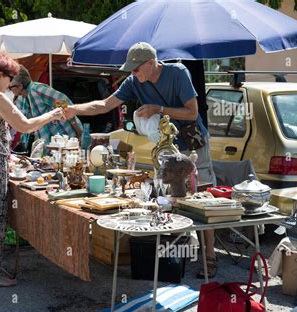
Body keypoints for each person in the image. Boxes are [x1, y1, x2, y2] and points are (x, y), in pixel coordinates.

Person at [65, 42, 218, 278]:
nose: (133, 74)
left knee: (202, 196)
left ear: (151, 63)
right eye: (131, 70)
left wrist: (159, 109)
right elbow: (105, 105)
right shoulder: (134, 81)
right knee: (171, 197)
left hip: (192, 142)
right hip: (167, 147)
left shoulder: (177, 73)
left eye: (136, 69)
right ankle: (173, 253)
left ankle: (210, 256)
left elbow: (192, 113)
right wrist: (73, 109)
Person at [0, 52, 65, 287]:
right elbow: (26, 126)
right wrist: (52, 114)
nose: (11, 83)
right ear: (0, 75)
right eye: (9, 77)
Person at [9, 64, 83, 148]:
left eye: (10, 87)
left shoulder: (39, 90)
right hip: (46, 145)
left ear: (20, 86)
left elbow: (65, 104)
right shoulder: (20, 98)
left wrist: (79, 133)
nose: (9, 90)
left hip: (63, 140)